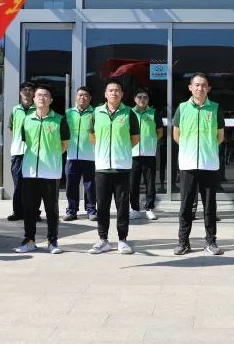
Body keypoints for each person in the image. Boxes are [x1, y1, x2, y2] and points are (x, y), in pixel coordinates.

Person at [172, 73, 226, 255]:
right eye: (196, 85)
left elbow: (220, 136)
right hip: (188, 164)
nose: (200, 88)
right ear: (190, 88)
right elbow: (176, 134)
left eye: (203, 85)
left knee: (210, 206)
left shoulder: (215, 108)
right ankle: (183, 242)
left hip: (209, 164)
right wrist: (190, 150)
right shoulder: (182, 108)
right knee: (186, 205)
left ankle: (211, 242)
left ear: (208, 88)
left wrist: (206, 149)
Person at [13, 83, 69, 254]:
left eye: (46, 95)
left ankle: (52, 241)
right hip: (30, 171)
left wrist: (51, 157)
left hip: (50, 172)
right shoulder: (27, 119)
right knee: (29, 209)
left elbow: (64, 144)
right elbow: (25, 142)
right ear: (34, 98)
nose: (42, 98)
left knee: (51, 210)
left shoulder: (60, 119)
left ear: (51, 99)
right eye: (39, 95)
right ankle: (29, 241)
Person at [87, 79, 140, 255]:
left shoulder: (129, 113)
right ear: (105, 94)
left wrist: (121, 150)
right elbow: (92, 135)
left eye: (117, 90)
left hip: (121, 167)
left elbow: (135, 138)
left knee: (122, 206)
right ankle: (103, 240)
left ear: (122, 94)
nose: (114, 93)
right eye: (110, 90)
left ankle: (122, 240)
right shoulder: (96, 112)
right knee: (102, 205)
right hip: (102, 167)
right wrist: (103, 150)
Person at [63, 87, 97, 222]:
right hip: (71, 155)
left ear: (90, 98)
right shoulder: (68, 113)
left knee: (90, 185)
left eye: (85, 95)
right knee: (71, 185)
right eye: (80, 95)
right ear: (76, 97)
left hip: (90, 155)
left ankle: (91, 210)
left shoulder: (95, 113)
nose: (82, 97)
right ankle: (71, 210)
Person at [130, 88, 164, 221]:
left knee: (150, 183)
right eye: (139, 97)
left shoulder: (154, 113)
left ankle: (149, 208)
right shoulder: (130, 112)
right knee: (133, 183)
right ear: (135, 99)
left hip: (149, 154)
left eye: (145, 97)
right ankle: (135, 209)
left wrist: (151, 142)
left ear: (148, 99)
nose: (142, 99)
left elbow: (159, 132)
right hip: (132, 154)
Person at [7, 82, 37, 222]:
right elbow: (10, 127)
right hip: (18, 152)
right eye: (25, 90)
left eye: (30, 90)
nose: (27, 92)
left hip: (34, 153)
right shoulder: (15, 110)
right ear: (20, 92)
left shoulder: (38, 109)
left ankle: (34, 212)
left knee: (33, 184)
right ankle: (17, 212)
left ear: (34, 93)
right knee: (18, 184)